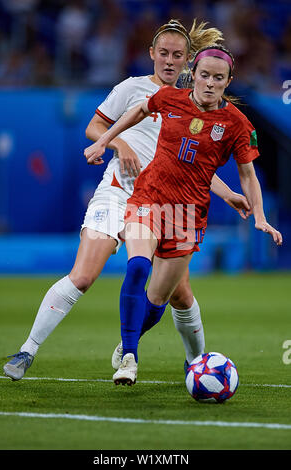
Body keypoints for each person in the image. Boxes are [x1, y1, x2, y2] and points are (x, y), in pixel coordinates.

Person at [3, 21, 250, 382]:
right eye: (162, 53)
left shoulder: (194, 103)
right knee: (83, 276)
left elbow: (194, 168)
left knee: (179, 296)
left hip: (165, 203)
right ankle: (27, 350)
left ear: (188, 61)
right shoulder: (132, 89)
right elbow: (94, 127)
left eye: (177, 55)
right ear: (151, 54)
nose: (168, 61)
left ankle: (196, 365)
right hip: (120, 192)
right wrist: (119, 143)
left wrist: (227, 193)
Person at [85, 44, 283, 386]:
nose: (209, 83)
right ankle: (129, 359)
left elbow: (248, 174)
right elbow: (136, 112)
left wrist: (260, 216)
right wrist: (106, 140)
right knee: (137, 267)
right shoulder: (170, 98)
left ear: (228, 81)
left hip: (188, 215)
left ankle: (130, 339)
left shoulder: (236, 124)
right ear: (193, 74)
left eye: (218, 78)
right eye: (204, 75)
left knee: (158, 299)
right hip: (149, 197)